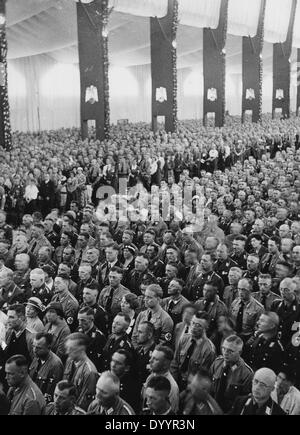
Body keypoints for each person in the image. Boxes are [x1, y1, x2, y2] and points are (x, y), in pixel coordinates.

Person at [171, 311, 216, 391]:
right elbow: (175, 363)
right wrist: (173, 383)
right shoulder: (184, 339)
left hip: (192, 388)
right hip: (177, 381)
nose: (193, 327)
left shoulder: (209, 350)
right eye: (193, 323)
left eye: (198, 325)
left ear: (206, 328)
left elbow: (202, 377)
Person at [209, 335, 253, 413]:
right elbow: (208, 387)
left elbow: (243, 404)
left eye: (230, 351)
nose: (225, 353)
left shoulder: (247, 374)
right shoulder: (217, 363)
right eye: (223, 348)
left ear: (240, 352)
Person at [63, 332, 99, 411]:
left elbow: (83, 404)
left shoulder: (89, 372)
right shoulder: (69, 360)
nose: (67, 352)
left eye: (71, 349)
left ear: (81, 349)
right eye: (67, 348)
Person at [132, 284, 173, 348]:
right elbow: (134, 336)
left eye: (149, 297)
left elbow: (163, 343)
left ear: (158, 299)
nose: (145, 299)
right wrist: (138, 350)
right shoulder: (141, 315)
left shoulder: (166, 319)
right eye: (145, 296)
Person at [143, 345, 179, 413]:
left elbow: (170, 412)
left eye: (156, 359)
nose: (150, 361)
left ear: (165, 364)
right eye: (151, 357)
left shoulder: (172, 387)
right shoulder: (150, 377)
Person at [29, 332, 64, 403]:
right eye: (33, 346)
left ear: (49, 347)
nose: (34, 350)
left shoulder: (55, 365)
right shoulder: (37, 357)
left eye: (38, 348)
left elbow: (50, 394)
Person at [77, 307, 106, 372]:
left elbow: (97, 362)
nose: (79, 323)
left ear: (91, 319)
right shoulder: (79, 330)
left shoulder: (99, 338)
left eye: (83, 320)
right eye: (78, 320)